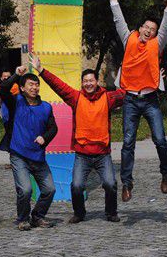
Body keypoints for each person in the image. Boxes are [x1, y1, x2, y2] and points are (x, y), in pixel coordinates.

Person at [102, 0, 167, 203]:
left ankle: (166, 173)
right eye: (146, 27)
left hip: (150, 99)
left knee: (160, 139)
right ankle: (127, 183)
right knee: (128, 142)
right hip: (130, 100)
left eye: (152, 29)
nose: (149, 31)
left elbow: (166, 25)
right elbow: (118, 19)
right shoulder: (129, 40)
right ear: (141, 28)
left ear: (155, 34)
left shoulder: (157, 45)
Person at [33, 54, 126, 223]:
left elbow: (126, 94)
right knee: (76, 186)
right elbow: (59, 86)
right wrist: (41, 70)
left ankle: (111, 212)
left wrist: (149, 83)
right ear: (82, 83)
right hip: (82, 154)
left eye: (91, 80)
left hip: (102, 154)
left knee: (110, 184)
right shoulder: (76, 98)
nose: (88, 83)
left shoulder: (108, 98)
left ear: (97, 82)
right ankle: (79, 213)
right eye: (85, 81)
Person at [0, 66, 58, 230]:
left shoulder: (46, 107)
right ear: (22, 88)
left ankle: (37, 216)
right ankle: (23, 219)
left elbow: (53, 128)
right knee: (25, 190)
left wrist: (44, 137)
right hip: (19, 155)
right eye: (30, 84)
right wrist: (16, 74)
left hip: (38, 156)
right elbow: (3, 90)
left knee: (50, 189)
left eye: (37, 84)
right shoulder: (15, 102)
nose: (34, 87)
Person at [0, 69, 18, 137]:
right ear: (1, 78)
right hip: (5, 117)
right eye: (4, 76)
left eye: (8, 76)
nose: (6, 78)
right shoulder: (0, 89)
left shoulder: (15, 86)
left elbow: (5, 91)